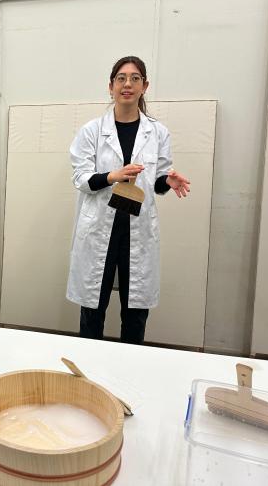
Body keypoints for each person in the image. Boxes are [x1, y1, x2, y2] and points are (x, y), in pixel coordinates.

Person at [67, 56, 190, 344]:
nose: (127, 84)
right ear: (110, 86)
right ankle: (88, 375)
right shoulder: (91, 131)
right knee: (93, 309)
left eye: (135, 78)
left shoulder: (157, 132)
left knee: (135, 312)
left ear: (145, 86)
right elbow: (81, 179)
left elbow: (158, 181)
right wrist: (113, 176)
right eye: (121, 78)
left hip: (137, 231)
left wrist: (167, 182)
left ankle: (130, 370)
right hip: (99, 230)